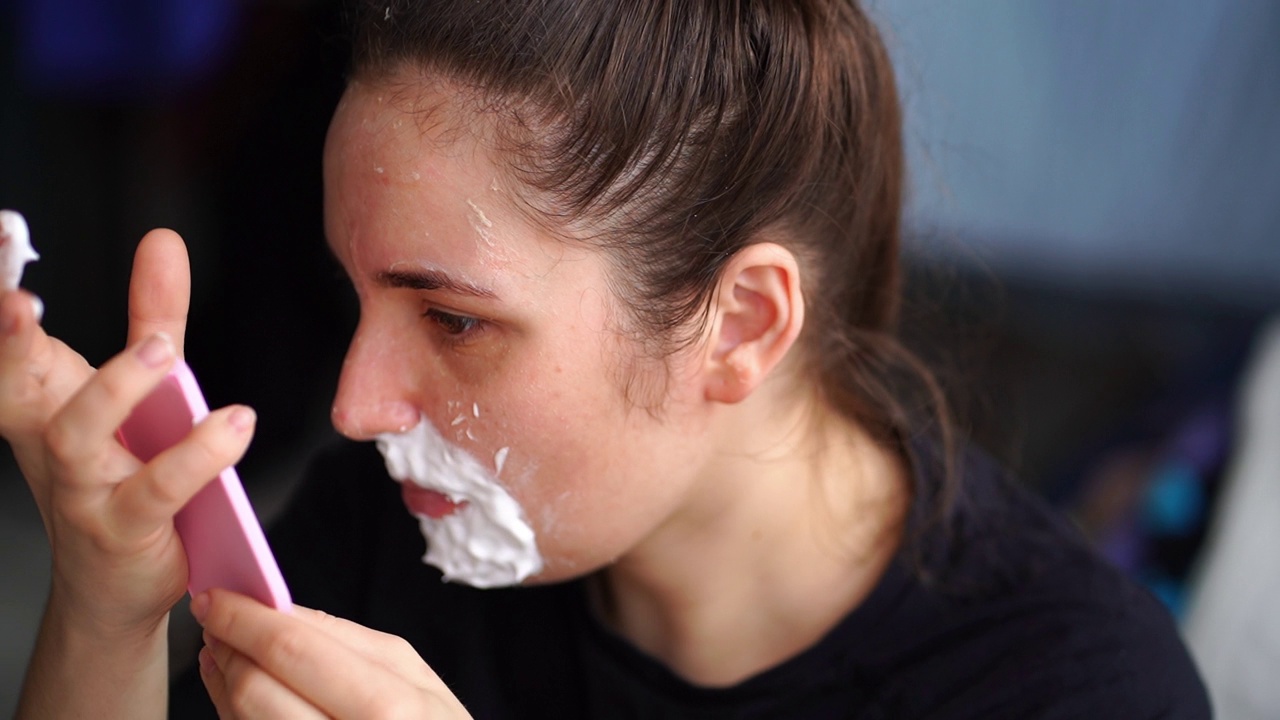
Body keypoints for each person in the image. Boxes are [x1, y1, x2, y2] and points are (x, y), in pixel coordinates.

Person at [2, 1, 1211, 717]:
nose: (357, 408)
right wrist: (107, 611)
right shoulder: (386, 542)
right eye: (355, 296)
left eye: (454, 320)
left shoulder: (1068, 687)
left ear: (738, 325)